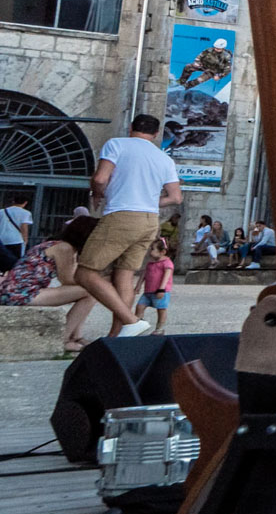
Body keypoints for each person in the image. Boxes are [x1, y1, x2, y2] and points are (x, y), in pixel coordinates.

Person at [72, 114, 178, 338]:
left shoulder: (116, 144)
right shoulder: (164, 159)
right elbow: (175, 197)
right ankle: (117, 337)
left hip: (122, 215)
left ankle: (131, 321)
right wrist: (147, 200)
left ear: (131, 127)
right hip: (149, 220)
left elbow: (101, 178)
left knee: (85, 273)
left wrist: (97, 193)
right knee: (124, 275)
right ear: (156, 134)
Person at [0, 215, 101, 351]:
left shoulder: (56, 243)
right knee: (89, 292)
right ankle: (64, 340)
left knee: (85, 291)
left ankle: (76, 335)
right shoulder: (64, 248)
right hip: (21, 293)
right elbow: (66, 280)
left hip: (15, 290)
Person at [136, 237, 174, 332]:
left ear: (162, 252)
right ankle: (138, 324)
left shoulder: (167, 263)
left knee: (161, 309)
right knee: (140, 306)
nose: (150, 251)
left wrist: (162, 289)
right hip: (148, 291)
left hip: (160, 291)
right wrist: (139, 285)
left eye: (152, 249)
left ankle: (160, 328)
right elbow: (144, 274)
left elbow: (166, 277)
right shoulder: (151, 263)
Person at [0, 193, 32, 272]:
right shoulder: (26, 213)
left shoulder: (2, 211)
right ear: (25, 202)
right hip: (16, 240)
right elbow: (24, 227)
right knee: (16, 261)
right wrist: (25, 240)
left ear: (13, 201)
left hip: (2, 239)